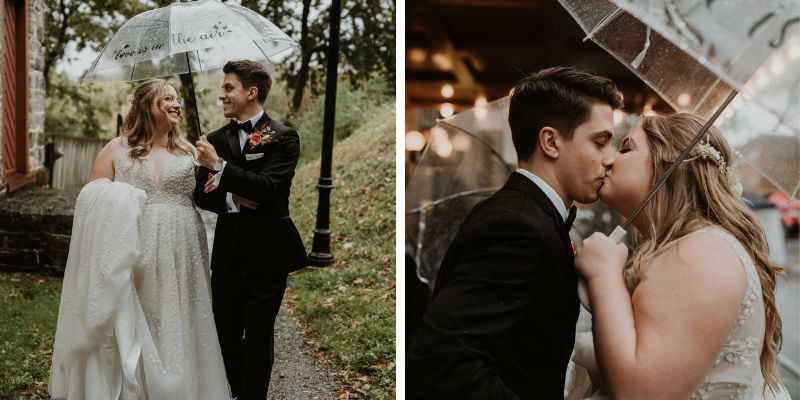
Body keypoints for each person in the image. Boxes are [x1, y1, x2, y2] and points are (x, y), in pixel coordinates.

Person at [406, 66, 624, 399]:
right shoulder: (518, 228)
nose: (611, 159)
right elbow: (441, 360)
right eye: (600, 142)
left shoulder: (531, 216)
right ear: (551, 141)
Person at [572, 113, 790, 399]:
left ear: (670, 165)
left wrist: (604, 277)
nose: (609, 159)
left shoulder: (703, 251)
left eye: (626, 148)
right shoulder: (688, 246)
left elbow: (641, 393)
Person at [49, 79, 231, 399]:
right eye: (167, 99)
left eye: (177, 99)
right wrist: (125, 198)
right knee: (138, 312)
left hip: (183, 244)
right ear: (147, 105)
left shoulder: (191, 151)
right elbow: (92, 198)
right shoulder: (117, 148)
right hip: (131, 243)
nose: (176, 104)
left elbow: (210, 198)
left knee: (178, 315)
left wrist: (212, 168)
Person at [193, 60, 308, 400]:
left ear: (251, 92)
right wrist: (237, 196)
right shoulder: (214, 139)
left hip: (268, 255)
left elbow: (270, 190)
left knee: (257, 338)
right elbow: (201, 195)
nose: (221, 95)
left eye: (228, 88)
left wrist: (219, 168)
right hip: (228, 255)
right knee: (225, 337)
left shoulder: (282, 137)